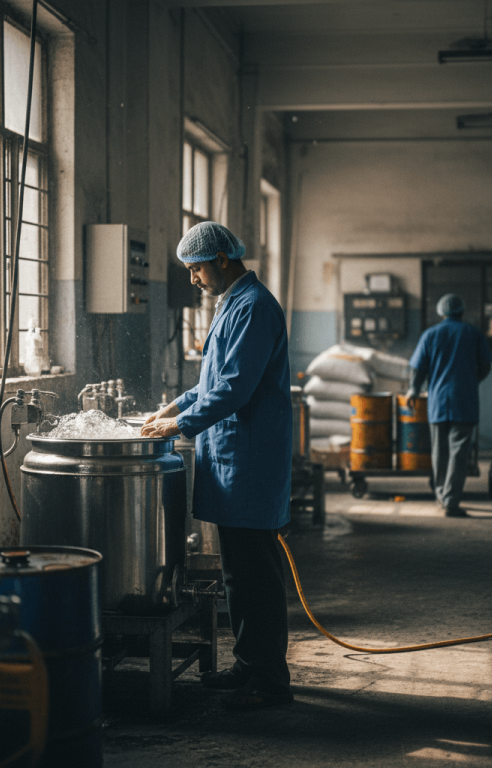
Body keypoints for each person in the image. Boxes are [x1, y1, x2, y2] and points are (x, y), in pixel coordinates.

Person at [141, 221, 294, 711]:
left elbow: (234, 389)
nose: (193, 279)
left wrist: (180, 425)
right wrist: (173, 406)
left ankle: (270, 678)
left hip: (248, 462)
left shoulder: (253, 308)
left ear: (222, 260)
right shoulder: (235, 304)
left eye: (197, 269)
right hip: (234, 460)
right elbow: (213, 380)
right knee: (239, 575)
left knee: (255, 577)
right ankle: (250, 666)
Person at [405, 293, 492, 517]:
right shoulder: (473, 333)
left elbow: (417, 368)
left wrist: (413, 390)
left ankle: (441, 496)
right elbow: (485, 366)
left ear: (441, 311)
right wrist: (471, 381)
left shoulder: (430, 334)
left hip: (438, 402)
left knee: (439, 452)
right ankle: (451, 502)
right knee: (458, 454)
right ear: (461, 311)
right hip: (464, 401)